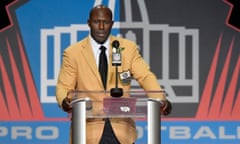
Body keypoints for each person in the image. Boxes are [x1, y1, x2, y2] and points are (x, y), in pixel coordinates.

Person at [56, 4, 172, 144]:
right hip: (87, 131)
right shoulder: (73, 53)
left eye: (105, 22)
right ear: (88, 23)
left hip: (122, 131)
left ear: (112, 24)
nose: (101, 27)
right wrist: (64, 101)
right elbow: (63, 86)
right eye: (96, 22)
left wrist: (159, 99)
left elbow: (145, 75)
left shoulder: (127, 48)